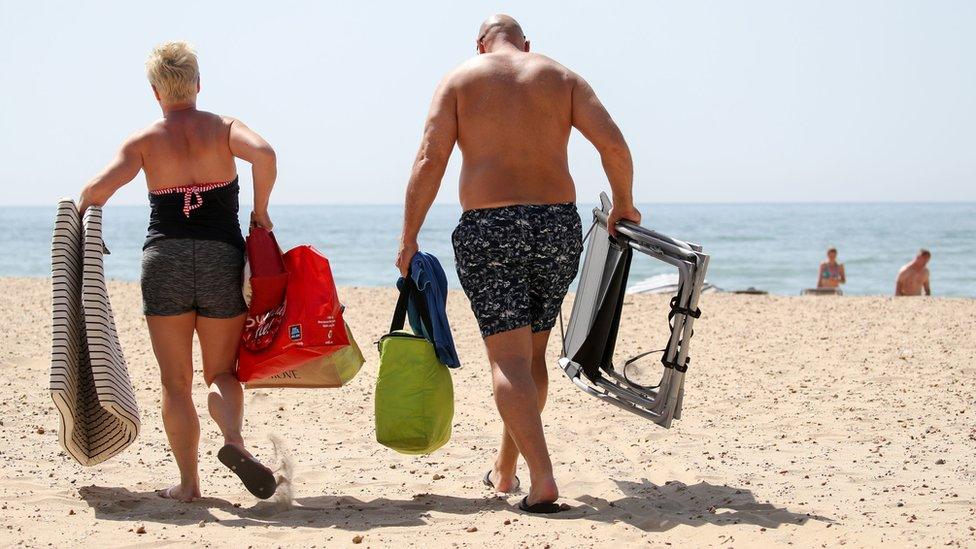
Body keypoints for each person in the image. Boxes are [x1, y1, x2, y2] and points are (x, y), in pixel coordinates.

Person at [395, 14, 640, 514]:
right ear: (527, 44)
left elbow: (429, 159)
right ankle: (506, 469)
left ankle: (543, 479)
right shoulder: (561, 77)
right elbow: (613, 143)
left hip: (490, 228)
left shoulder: (461, 79)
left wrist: (409, 237)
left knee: (508, 361)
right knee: (531, 357)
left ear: (480, 45)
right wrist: (623, 204)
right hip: (556, 227)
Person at [77, 41, 278, 502]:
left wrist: (81, 229)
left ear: (155, 92)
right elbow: (265, 154)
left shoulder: (144, 141)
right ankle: (233, 442)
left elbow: (95, 190)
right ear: (198, 85)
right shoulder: (225, 128)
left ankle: (188, 485)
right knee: (222, 372)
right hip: (219, 259)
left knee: (175, 382)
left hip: (164, 259)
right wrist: (259, 213)